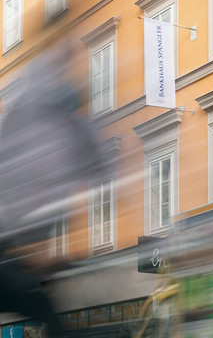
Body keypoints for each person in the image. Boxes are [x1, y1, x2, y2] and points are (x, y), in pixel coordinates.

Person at [0, 36, 105, 337]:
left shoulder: (75, 130)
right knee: (46, 311)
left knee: (48, 312)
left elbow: (100, 172)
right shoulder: (23, 118)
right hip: (12, 245)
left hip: (23, 253)